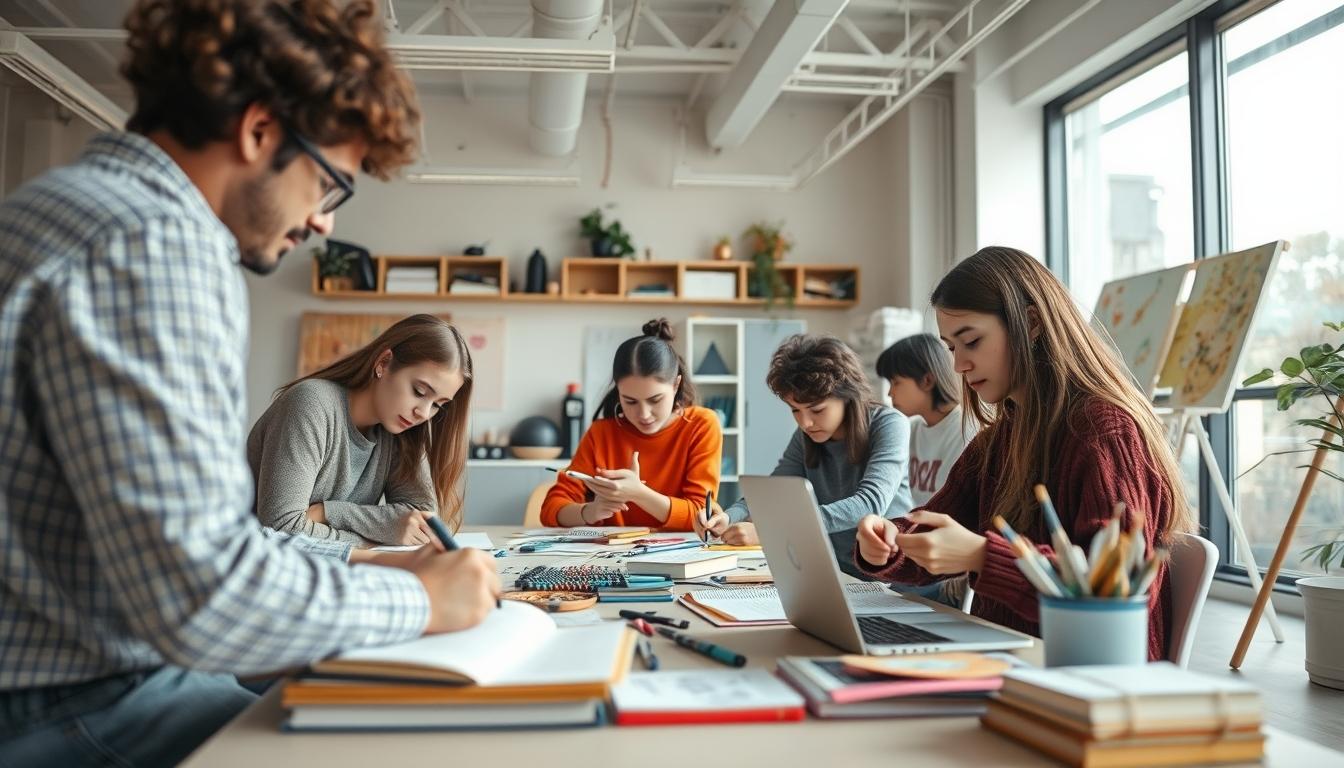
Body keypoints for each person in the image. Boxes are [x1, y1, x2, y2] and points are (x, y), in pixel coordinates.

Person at [0, 2, 498, 765]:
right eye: (329, 183)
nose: (325, 223)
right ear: (260, 130)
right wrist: (424, 598)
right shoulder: (153, 245)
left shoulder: (63, 209)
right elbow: (202, 595)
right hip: (75, 698)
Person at [855, 246, 1196, 660]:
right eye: (950, 348)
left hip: (1087, 675)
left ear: (1031, 323)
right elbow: (937, 529)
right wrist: (889, 541)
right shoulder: (998, 440)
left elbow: (1111, 588)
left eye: (972, 342)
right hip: (1011, 660)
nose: (960, 365)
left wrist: (981, 554)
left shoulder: (1106, 431)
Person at [250, 314, 472, 547]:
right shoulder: (310, 403)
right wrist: (373, 540)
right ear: (384, 363)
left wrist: (330, 513)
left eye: (438, 404)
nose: (425, 414)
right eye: (419, 391)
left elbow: (424, 519)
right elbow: (280, 529)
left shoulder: (400, 428)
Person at [698, 335, 914, 556]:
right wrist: (728, 517)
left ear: (848, 396)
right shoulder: (805, 435)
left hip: (892, 575)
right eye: (795, 410)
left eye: (817, 410)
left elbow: (870, 503)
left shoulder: (889, 423)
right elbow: (774, 491)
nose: (805, 422)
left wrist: (773, 531)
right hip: (838, 570)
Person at [541, 318, 722, 530]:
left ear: (676, 385)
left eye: (655, 400)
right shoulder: (602, 433)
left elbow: (702, 515)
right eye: (630, 401)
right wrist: (590, 511)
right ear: (618, 391)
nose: (644, 414)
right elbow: (550, 509)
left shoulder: (701, 425)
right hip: (613, 557)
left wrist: (638, 494)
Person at [876, 333, 974, 508]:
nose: (890, 393)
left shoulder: (968, 432)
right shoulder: (910, 430)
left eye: (896, 382)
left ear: (927, 380)